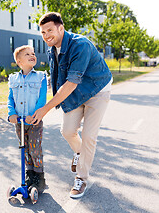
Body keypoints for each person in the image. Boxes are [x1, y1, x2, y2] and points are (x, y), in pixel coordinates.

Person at [32, 12, 113, 199]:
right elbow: (58, 79)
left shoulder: (80, 45)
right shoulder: (52, 49)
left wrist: (46, 109)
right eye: (43, 32)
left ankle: (81, 178)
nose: (46, 35)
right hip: (76, 93)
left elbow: (70, 83)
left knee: (89, 136)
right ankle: (79, 152)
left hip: (97, 89)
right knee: (67, 131)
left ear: (61, 28)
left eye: (50, 30)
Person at [7, 45, 48, 193]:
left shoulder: (41, 76)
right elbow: (10, 98)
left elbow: (42, 98)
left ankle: (39, 177)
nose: (32, 55)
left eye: (33, 53)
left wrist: (35, 114)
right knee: (24, 149)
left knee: (35, 149)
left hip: (34, 121)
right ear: (19, 61)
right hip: (20, 122)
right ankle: (29, 174)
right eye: (27, 54)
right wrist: (11, 113)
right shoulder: (13, 79)